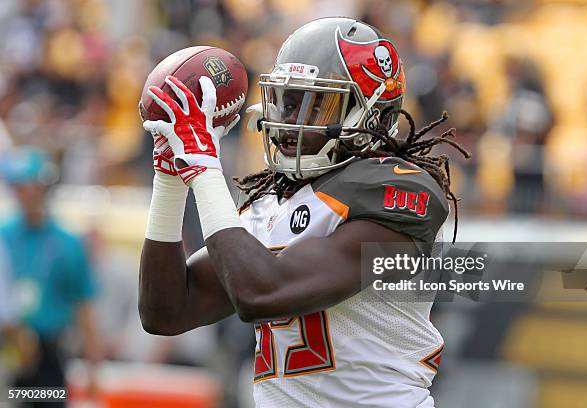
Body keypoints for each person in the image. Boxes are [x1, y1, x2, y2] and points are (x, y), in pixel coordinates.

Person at [139, 17, 469, 407]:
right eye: (286, 102)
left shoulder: (400, 188)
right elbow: (166, 312)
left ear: (370, 115)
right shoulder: (271, 202)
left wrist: (204, 170)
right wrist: (170, 180)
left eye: (313, 106)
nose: (288, 122)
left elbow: (263, 293)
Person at [0, 146, 102, 406]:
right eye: (18, 187)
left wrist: (93, 370)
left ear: (44, 188)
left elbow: (85, 307)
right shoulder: (4, 237)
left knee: (47, 399)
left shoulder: (68, 244)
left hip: (49, 353)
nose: (24, 194)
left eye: (30, 186)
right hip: (8, 348)